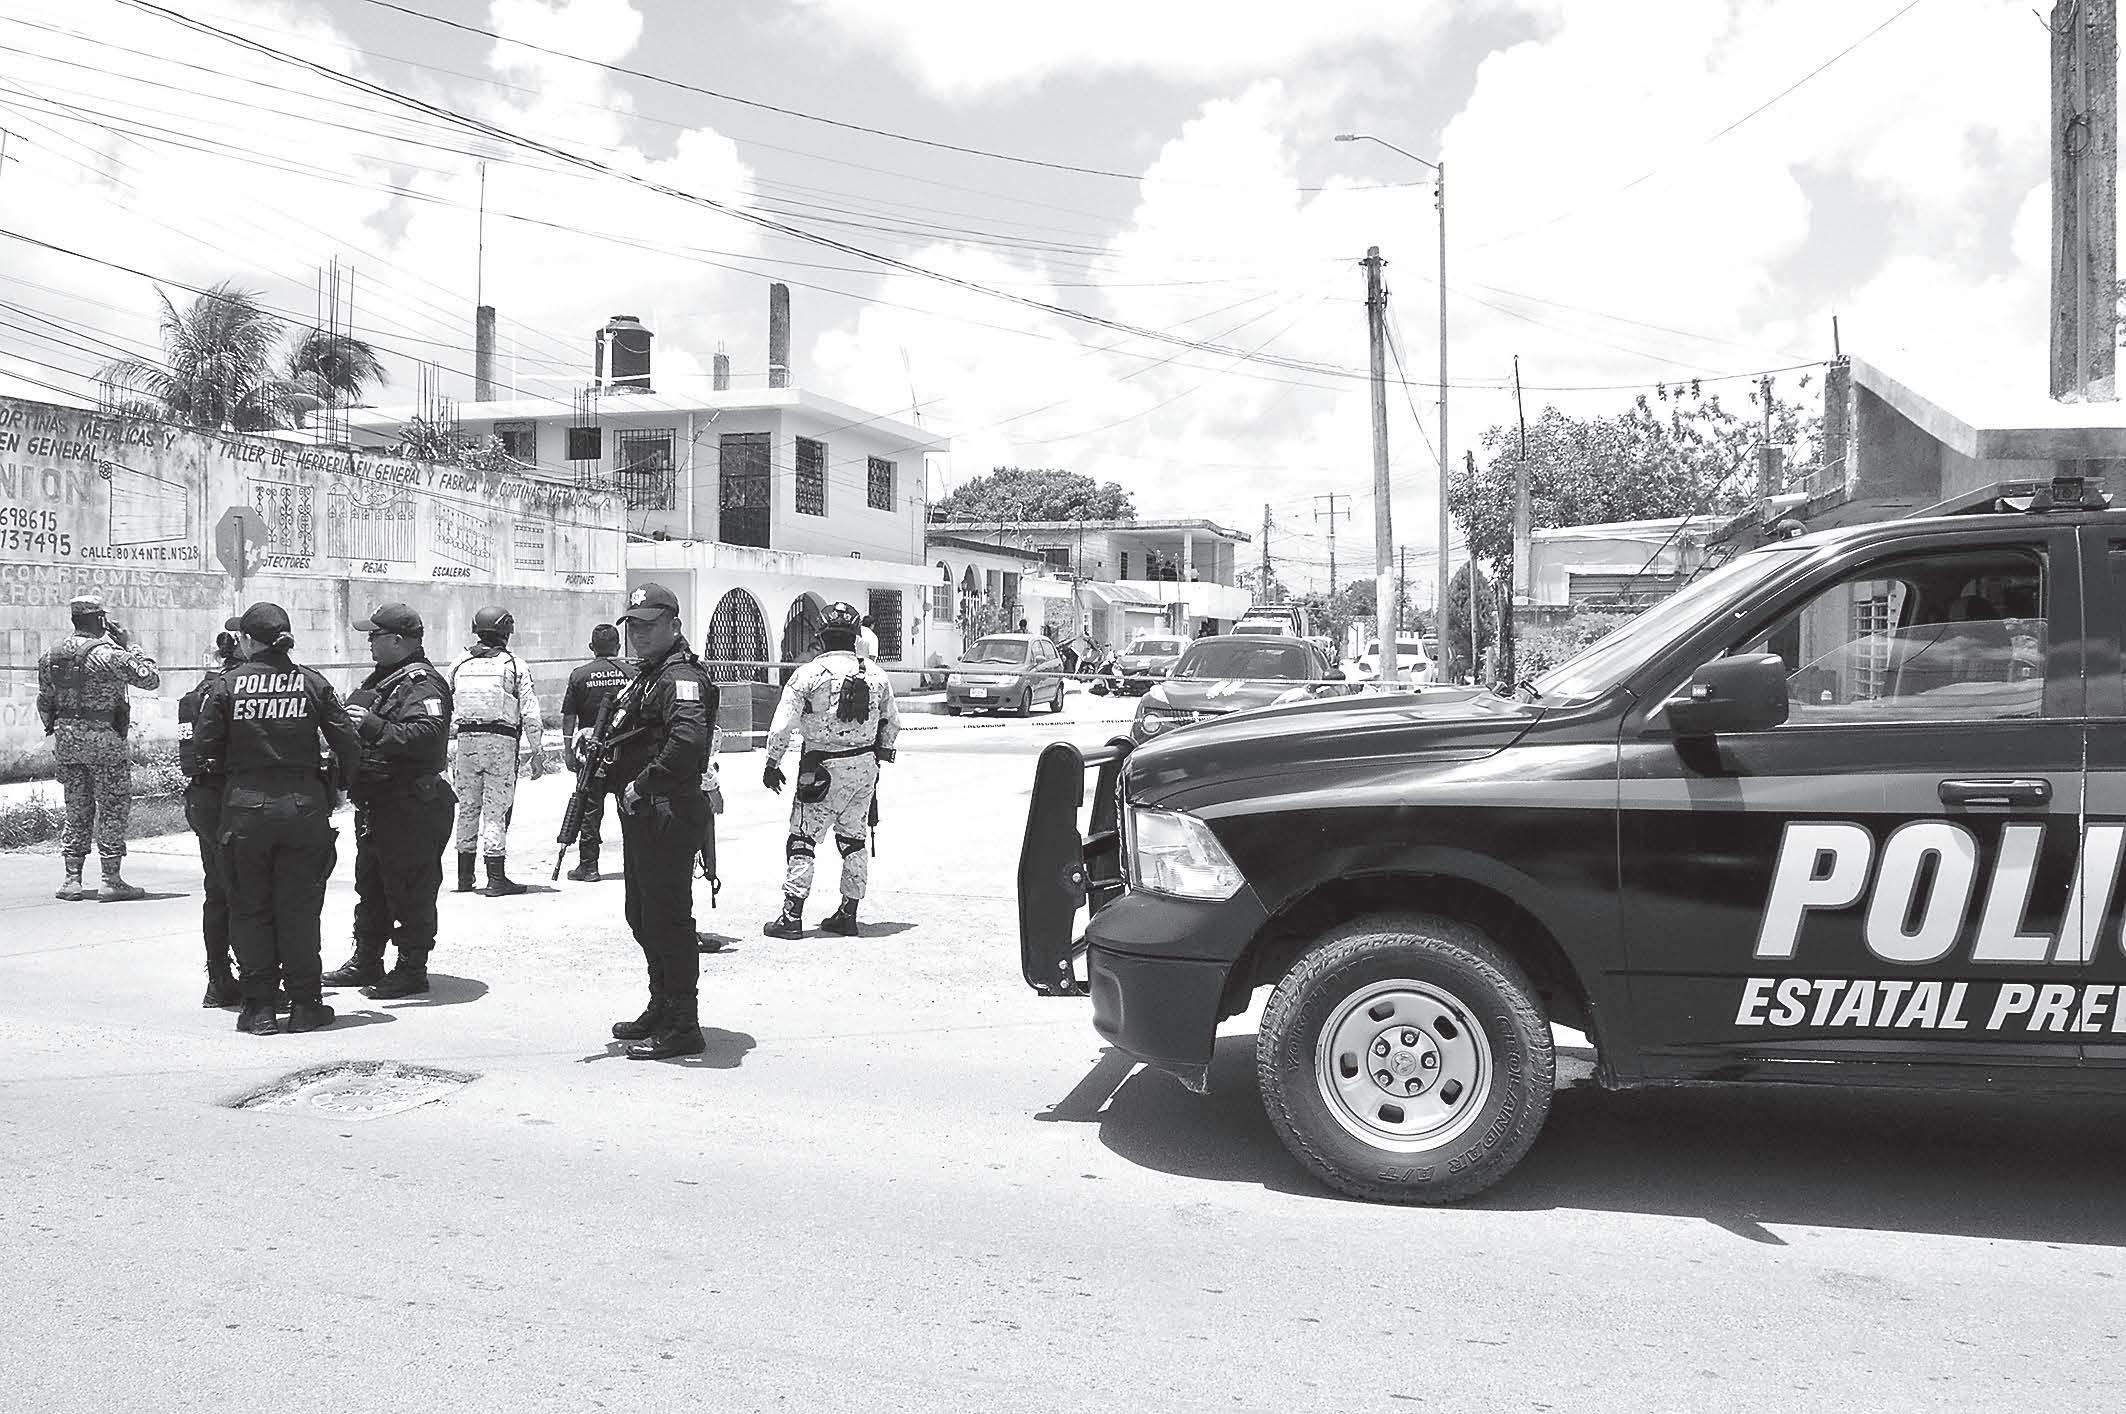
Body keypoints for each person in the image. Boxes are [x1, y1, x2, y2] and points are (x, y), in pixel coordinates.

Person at [194, 602, 361, 1036]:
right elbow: (348, 743)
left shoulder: (227, 685)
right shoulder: (312, 682)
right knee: (300, 909)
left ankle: (260, 1009)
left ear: (247, 640)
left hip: (245, 809)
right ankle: (305, 1004)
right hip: (304, 808)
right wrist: (339, 786)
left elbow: (203, 750)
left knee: (250, 909)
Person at [606, 582, 716, 1060]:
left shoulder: (681, 678)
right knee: (642, 916)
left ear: (674, 625)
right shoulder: (649, 676)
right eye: (633, 626)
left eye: (650, 625)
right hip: (645, 815)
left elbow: (687, 743)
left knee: (669, 921)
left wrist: (643, 784)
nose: (639, 634)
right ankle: (662, 1005)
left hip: (668, 810)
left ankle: (684, 1023)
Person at [324, 602, 455, 999]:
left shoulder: (422, 683)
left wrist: (373, 726)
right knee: (372, 886)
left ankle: (412, 967)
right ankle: (367, 959)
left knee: (411, 890)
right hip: (378, 803)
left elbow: (428, 735)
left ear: (398, 640)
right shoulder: (383, 680)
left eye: (375, 635)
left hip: (412, 805)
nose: (369, 642)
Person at [760, 600, 901, 939]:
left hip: (819, 768)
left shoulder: (808, 674)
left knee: (802, 839)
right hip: (864, 768)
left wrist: (772, 762)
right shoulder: (876, 675)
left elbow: (782, 726)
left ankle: (791, 917)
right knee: (854, 839)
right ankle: (848, 914)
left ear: (820, 637)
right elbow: (892, 723)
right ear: (856, 636)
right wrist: (878, 755)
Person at [37, 592, 161, 901]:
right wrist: (131, 645)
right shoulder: (111, 654)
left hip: (68, 744)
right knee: (112, 807)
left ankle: (71, 879)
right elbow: (150, 679)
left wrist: (59, 731)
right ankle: (110, 879)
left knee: (76, 808)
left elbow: (45, 702)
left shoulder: (50, 655)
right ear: (101, 620)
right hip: (106, 745)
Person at [448, 605, 546, 896]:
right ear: (506, 632)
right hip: (500, 743)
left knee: (467, 809)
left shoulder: (459, 664)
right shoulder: (513, 665)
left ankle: (464, 878)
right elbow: (529, 711)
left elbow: (446, 705)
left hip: (465, 742)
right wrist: (537, 751)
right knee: (495, 812)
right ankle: (496, 878)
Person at [177, 630, 246, 1008]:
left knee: (217, 891)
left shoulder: (195, 694)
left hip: (203, 799)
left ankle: (218, 979)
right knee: (250, 892)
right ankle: (257, 979)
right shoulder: (240, 690)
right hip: (235, 799)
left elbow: (190, 756)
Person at [559, 623, 636, 882]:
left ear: (592, 647)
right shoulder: (633, 674)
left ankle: (589, 866)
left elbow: (569, 716)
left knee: (589, 809)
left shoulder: (580, 675)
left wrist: (568, 751)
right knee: (629, 806)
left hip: (590, 753)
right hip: (626, 751)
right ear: (619, 646)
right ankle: (634, 863)